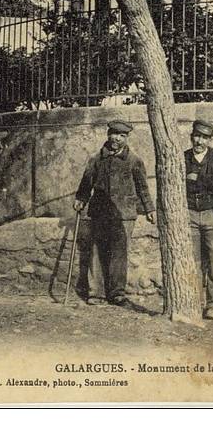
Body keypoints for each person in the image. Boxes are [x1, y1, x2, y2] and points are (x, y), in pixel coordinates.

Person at [74, 120, 155, 306]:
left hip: (124, 214)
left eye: (122, 136)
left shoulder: (134, 160)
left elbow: (142, 187)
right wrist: (81, 198)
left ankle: (117, 292)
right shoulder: (96, 159)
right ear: (108, 135)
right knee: (97, 251)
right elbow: (86, 182)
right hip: (100, 213)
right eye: (114, 134)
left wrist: (149, 208)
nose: (116, 139)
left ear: (126, 138)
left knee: (119, 254)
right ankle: (97, 293)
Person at [184, 120, 213, 320]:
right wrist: (205, 180)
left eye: (204, 138)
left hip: (212, 214)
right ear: (192, 136)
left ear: (211, 140)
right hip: (190, 214)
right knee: (193, 260)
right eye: (197, 136)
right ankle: (194, 301)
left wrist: (198, 177)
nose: (199, 141)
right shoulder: (184, 156)